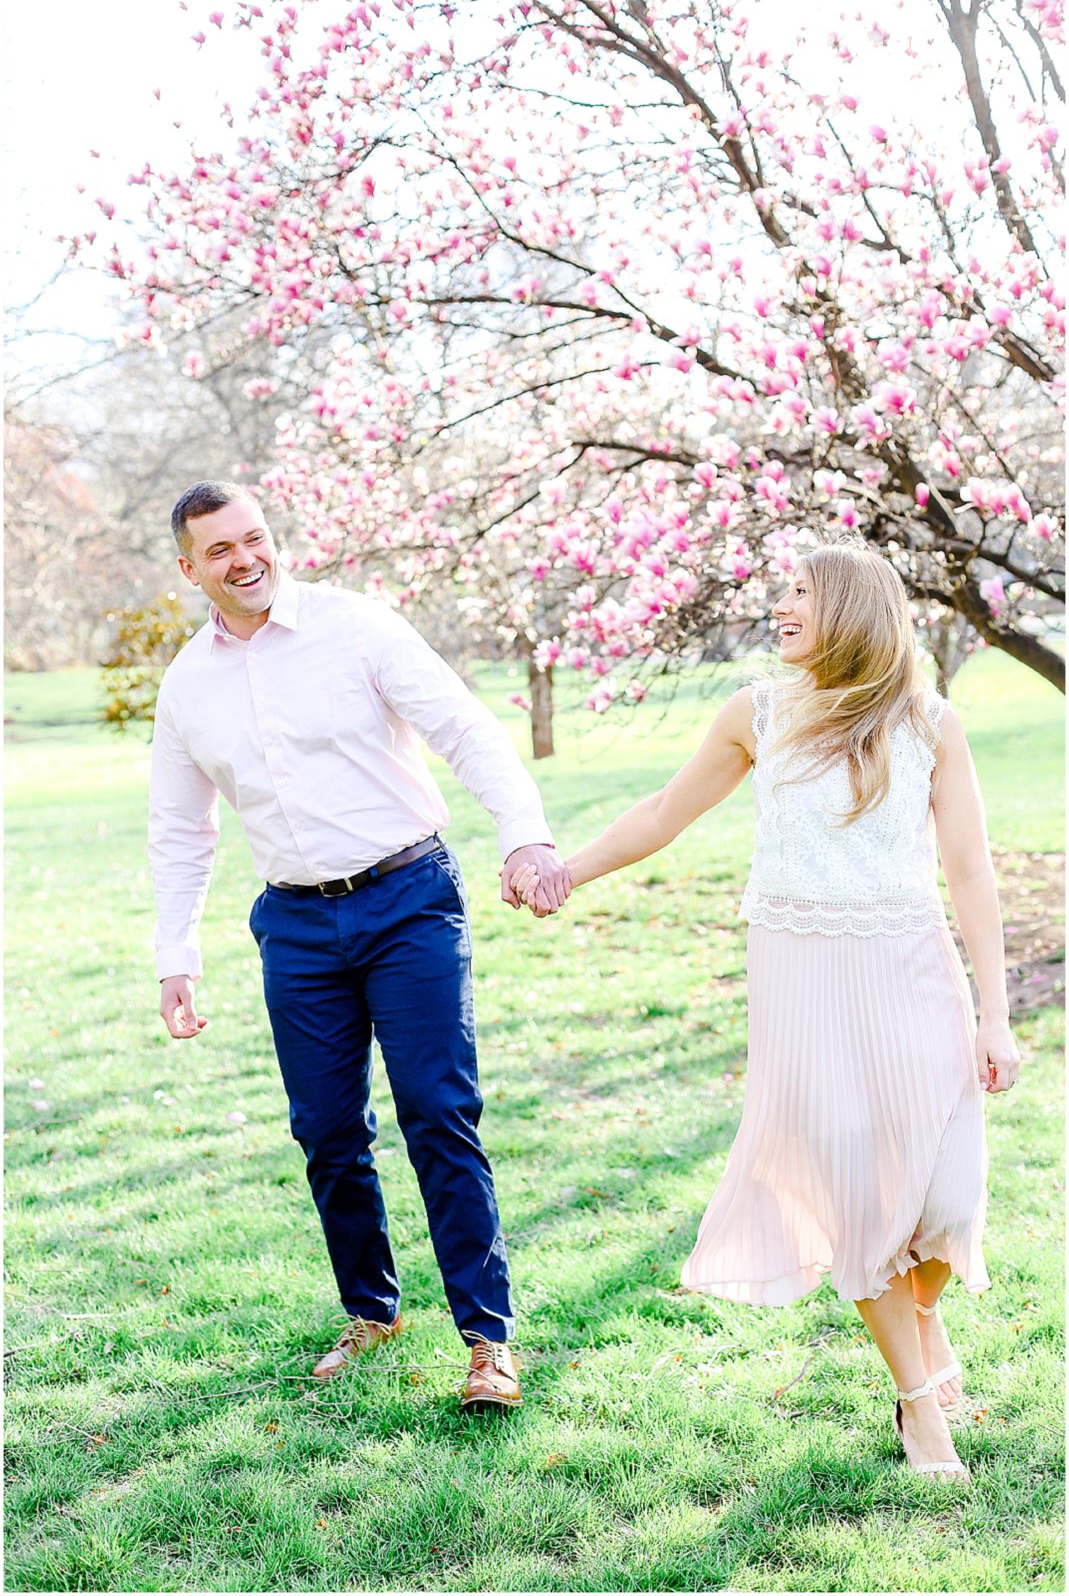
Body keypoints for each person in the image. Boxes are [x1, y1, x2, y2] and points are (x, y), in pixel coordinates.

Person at [512, 540, 1019, 1480]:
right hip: (803, 979)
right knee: (862, 1195)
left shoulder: (928, 722)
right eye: (780, 591)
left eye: (799, 593)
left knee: (947, 1193)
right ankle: (917, 1407)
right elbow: (663, 812)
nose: (778, 606)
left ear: (853, 611)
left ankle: (924, 1309)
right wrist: (563, 872)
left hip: (912, 968)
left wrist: (994, 1015)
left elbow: (970, 872)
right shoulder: (755, 713)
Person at [149, 479, 570, 1410]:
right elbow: (181, 828)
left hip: (407, 898)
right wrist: (174, 953)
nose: (244, 559)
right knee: (327, 1134)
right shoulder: (187, 686)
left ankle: (487, 1340)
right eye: (218, 550)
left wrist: (523, 833)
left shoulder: (355, 627)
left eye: (253, 538)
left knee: (436, 1112)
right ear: (189, 569)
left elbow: (463, 729)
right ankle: (372, 1312)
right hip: (294, 924)